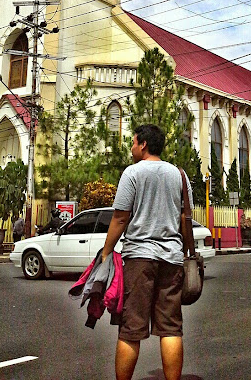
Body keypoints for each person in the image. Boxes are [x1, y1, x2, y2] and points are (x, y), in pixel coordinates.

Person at [101, 124, 192, 380]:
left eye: (133, 142)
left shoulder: (132, 173)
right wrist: (179, 250)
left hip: (140, 258)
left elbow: (120, 218)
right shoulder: (179, 176)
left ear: (143, 144)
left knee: (131, 328)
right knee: (171, 328)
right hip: (171, 258)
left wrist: (107, 252)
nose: (131, 147)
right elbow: (186, 219)